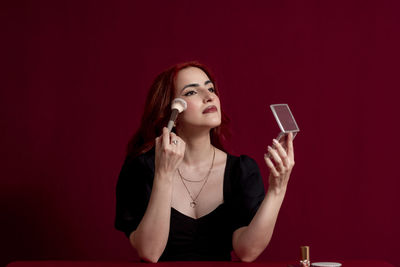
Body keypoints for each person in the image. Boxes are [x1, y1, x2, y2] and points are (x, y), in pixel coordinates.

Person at [114, 62, 295, 262]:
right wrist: (163, 174)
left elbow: (247, 251)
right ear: (171, 112)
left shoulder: (241, 171)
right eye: (191, 92)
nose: (209, 96)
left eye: (210, 88)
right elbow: (150, 252)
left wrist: (277, 189)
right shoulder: (140, 169)